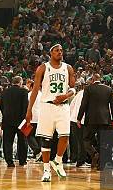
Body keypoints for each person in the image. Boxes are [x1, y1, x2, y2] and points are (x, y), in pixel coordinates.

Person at [26, 43, 76, 182]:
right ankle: (46, 170)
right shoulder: (43, 68)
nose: (60, 52)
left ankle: (58, 161)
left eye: (61, 50)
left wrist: (65, 96)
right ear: (51, 53)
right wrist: (29, 110)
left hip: (63, 106)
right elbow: (35, 90)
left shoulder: (68, 68)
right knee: (46, 139)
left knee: (65, 135)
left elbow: (73, 88)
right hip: (46, 106)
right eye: (56, 50)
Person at [77, 73, 113, 170]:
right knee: (102, 141)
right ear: (100, 80)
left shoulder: (88, 89)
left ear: (92, 80)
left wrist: (79, 118)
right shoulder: (109, 89)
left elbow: (84, 104)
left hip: (91, 119)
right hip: (105, 119)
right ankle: (101, 165)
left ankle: (94, 153)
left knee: (86, 139)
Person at [0, 76, 28, 167]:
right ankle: (22, 160)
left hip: (7, 120)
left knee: (7, 141)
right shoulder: (24, 92)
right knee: (22, 141)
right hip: (21, 120)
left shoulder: (4, 92)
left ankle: (9, 161)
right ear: (20, 82)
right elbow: (25, 107)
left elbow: (2, 107)